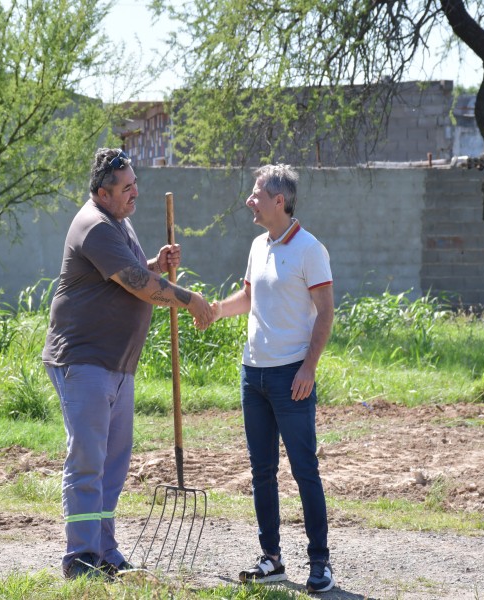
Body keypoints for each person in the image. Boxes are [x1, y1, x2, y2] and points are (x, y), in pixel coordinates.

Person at [42, 147, 214, 581]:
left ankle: (104, 549)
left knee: (113, 462)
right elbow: (136, 284)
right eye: (127, 188)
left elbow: (135, 272)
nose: (135, 192)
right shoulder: (94, 225)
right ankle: (80, 559)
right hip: (83, 360)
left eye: (136, 183)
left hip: (117, 364)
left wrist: (158, 264)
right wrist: (189, 298)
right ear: (102, 192)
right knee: (87, 460)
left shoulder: (119, 221)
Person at [208, 164, 336, 593]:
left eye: (257, 194)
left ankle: (319, 562)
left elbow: (325, 312)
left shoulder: (310, 250)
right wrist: (214, 310)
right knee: (261, 471)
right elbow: (248, 297)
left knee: (304, 470)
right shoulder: (258, 245)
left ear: (278, 201)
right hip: (254, 375)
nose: (250, 200)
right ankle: (272, 559)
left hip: (290, 377)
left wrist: (308, 367)